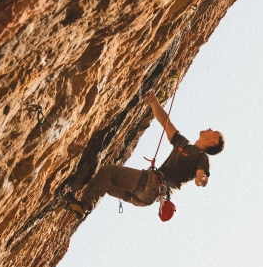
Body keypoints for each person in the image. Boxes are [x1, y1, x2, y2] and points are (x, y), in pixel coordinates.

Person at [67, 90, 224, 219]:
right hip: (145, 198)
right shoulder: (183, 143)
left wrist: (201, 179)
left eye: (214, 132)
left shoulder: (202, 157)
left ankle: (84, 206)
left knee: (107, 173)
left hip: (152, 185)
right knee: (106, 184)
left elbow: (201, 174)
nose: (210, 129)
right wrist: (153, 100)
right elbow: (166, 123)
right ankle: (82, 208)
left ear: (213, 142)